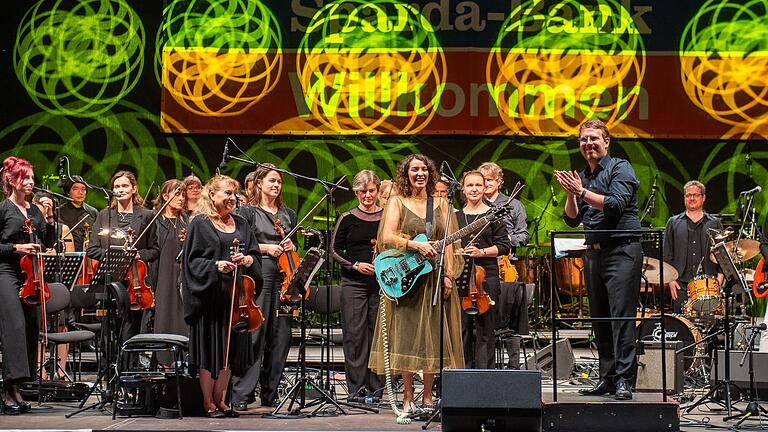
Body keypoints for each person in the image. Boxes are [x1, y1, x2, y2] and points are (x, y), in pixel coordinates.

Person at [554, 118, 643, 400]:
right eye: (583, 139)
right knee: (601, 319)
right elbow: (572, 219)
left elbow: (616, 205)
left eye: (594, 138)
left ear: (606, 141)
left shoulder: (620, 167)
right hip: (594, 253)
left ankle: (625, 381)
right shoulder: (584, 176)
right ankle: (607, 378)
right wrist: (572, 194)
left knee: (620, 318)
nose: (588, 144)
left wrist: (580, 191)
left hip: (621, 251)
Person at [369, 154, 464, 415]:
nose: (420, 173)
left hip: (434, 276)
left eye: (424, 169)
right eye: (414, 169)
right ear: (406, 174)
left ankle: (429, 397)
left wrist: (448, 275)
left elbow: (450, 244)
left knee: (433, 338)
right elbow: (387, 236)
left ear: (430, 173)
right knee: (407, 337)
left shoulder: (442, 203)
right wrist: (414, 244)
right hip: (407, 277)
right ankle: (408, 396)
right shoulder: (397, 201)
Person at [182, 175, 261, 418]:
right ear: (212, 195)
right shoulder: (200, 224)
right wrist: (216, 266)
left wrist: (247, 259)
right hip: (211, 299)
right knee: (211, 351)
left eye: (234, 194)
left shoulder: (242, 224)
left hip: (237, 299)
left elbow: (255, 256)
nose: (232, 199)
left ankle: (222, 399)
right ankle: (208, 402)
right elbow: (191, 262)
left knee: (230, 351)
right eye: (226, 193)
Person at [231, 164, 297, 409]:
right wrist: (267, 248)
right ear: (259, 183)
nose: (276, 185)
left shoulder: (287, 213)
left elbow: (295, 244)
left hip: (284, 276)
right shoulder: (248, 211)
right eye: (271, 181)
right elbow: (242, 244)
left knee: (280, 337)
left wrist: (292, 248)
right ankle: (241, 394)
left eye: (279, 181)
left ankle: (271, 393)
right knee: (255, 333)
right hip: (260, 274)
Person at [0, 157, 56, 415]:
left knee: (31, 327)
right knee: (15, 327)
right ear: (12, 181)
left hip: (30, 275)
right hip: (6, 272)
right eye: (26, 177)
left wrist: (51, 221)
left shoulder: (34, 211)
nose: (31, 182)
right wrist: (16, 247)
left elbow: (47, 241)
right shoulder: (3, 209)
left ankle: (19, 386)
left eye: (32, 177)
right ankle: (8, 389)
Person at [86, 171, 159, 342]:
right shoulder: (104, 214)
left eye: (125, 186)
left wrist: (138, 255)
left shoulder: (147, 215)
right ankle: (108, 367)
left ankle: (128, 366)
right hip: (109, 278)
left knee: (131, 328)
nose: (120, 189)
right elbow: (92, 249)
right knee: (108, 330)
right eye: (117, 186)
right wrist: (116, 255)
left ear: (134, 189)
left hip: (135, 282)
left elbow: (155, 250)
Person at [330, 170, 383, 402]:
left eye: (371, 190)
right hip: (353, 283)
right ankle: (356, 389)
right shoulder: (347, 217)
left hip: (383, 283)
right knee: (355, 336)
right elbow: (333, 250)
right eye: (362, 191)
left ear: (378, 191)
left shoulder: (388, 217)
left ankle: (378, 389)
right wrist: (355, 265)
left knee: (379, 336)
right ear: (356, 192)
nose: (367, 195)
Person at [477, 161, 530, 369]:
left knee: (507, 314)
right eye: (483, 180)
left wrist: (505, 240)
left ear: (498, 182)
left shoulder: (514, 205)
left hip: (504, 264)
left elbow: (523, 235)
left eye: (489, 180)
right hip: (480, 267)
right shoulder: (475, 205)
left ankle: (514, 364)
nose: (486, 184)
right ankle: (479, 362)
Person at [456, 170, 510, 369]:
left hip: (486, 276)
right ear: (463, 189)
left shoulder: (493, 215)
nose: (474, 189)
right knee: (462, 329)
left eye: (478, 185)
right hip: (460, 275)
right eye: (470, 185)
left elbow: (504, 246)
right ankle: (462, 376)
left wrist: (482, 252)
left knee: (485, 329)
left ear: (485, 188)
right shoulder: (454, 217)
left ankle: (484, 376)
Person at [663, 180, 723, 314]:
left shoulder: (714, 223)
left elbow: (722, 255)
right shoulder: (673, 223)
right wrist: (671, 280)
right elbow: (667, 255)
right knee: (683, 329)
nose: (691, 198)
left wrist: (719, 281)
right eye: (688, 195)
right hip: (681, 286)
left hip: (708, 286)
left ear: (703, 198)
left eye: (696, 195)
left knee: (709, 330)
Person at [151, 180, 188, 358]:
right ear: (165, 196)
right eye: (176, 194)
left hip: (183, 275)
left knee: (182, 316)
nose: (181, 198)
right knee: (165, 313)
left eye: (183, 194)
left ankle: (183, 358)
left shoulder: (187, 221)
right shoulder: (156, 220)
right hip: (163, 274)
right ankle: (164, 359)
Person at [58, 176, 98, 252]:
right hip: (67, 255)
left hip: (89, 255)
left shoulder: (93, 212)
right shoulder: (59, 212)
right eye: (75, 189)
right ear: (68, 192)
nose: (80, 192)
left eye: (83, 189)